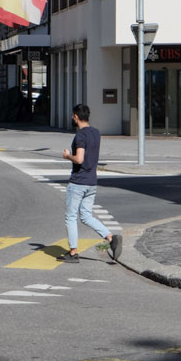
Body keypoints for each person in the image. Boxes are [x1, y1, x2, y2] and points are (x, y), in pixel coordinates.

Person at [61, 103, 122, 262]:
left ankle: (73, 252)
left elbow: (80, 159)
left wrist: (68, 156)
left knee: (71, 217)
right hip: (91, 182)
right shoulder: (96, 133)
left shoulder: (80, 135)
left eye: (72, 116)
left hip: (78, 182)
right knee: (86, 216)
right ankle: (110, 238)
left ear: (75, 116)